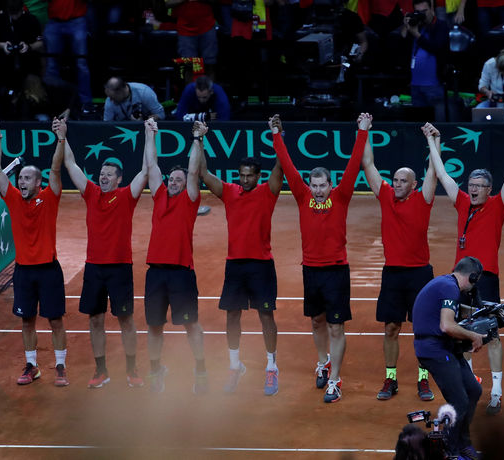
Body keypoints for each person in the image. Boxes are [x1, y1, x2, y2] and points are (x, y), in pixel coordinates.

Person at [427, 121, 504, 415]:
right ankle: (471, 385)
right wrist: (433, 143)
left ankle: (496, 392)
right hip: (460, 282)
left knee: (492, 334)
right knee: (462, 331)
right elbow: (444, 174)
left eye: (478, 186)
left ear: (489, 189)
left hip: (487, 279)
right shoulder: (461, 203)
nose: (472, 189)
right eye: (470, 185)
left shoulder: (499, 205)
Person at [271, 112, 370, 403]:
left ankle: (336, 380)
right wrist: (278, 133)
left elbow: (354, 164)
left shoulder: (340, 197)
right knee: (317, 321)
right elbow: (287, 166)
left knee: (336, 326)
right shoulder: (302, 197)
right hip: (311, 271)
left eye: (321, 185)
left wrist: (362, 130)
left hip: (336, 271)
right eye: (313, 185)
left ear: (330, 184)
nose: (316, 190)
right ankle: (323, 362)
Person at [57, 117, 148, 389]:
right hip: (94, 268)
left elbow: (145, 170)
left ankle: (132, 370)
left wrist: (148, 134)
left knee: (126, 320)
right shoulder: (90, 193)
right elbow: (70, 163)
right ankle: (101, 371)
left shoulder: (127, 197)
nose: (103, 176)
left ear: (119, 179)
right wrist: (62, 136)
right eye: (102, 173)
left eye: (109, 174)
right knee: (95, 320)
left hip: (120, 267)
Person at [361, 120, 438, 402]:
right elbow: (368, 163)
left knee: (424, 329)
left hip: (420, 274)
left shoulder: (423, 198)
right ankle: (391, 379)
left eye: (403, 181)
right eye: (394, 180)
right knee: (391, 327)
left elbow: (433, 170)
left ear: (414, 185)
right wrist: (365, 131)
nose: (396, 184)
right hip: (393, 273)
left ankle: (423, 379)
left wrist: (433, 139)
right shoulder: (385, 197)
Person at [0, 118, 69, 387]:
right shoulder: (12, 198)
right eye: (20, 178)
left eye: (26, 178)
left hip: (49, 269)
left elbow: (56, 168)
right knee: (27, 321)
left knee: (55, 320)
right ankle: (32, 366)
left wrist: (61, 139)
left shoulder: (49, 197)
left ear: (38, 182)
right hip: (23, 271)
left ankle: (60, 366)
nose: (21, 181)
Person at [199, 145, 283, 395]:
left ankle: (271, 367)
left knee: (266, 317)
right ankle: (235, 366)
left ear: (258, 176)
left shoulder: (268, 192)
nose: (244, 179)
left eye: (249, 175)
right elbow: (203, 173)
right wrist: (199, 140)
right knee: (232, 316)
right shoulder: (229, 191)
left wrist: (279, 137)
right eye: (241, 175)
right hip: (235, 265)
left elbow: (281, 166)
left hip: (261, 265)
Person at [143, 119, 207, 394]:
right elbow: (151, 166)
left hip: (181, 272)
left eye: (178, 180)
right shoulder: (159, 196)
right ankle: (157, 371)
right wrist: (149, 134)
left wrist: (197, 139)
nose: (173, 182)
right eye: (172, 179)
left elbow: (194, 172)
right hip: (155, 273)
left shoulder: (190, 199)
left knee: (191, 324)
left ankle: (201, 370)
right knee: (154, 326)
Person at [412, 256, 486, 460]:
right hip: (434, 350)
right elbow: (446, 325)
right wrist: (473, 336)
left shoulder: (446, 283)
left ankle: (462, 443)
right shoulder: (449, 288)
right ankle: (449, 451)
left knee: (473, 390)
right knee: (460, 401)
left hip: (443, 347)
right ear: (471, 276)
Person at [0, 0, 45, 118]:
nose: (14, 17)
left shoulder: (31, 20)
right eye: (12, 14)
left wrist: (29, 46)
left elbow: (41, 43)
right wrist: (2, 45)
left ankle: (36, 114)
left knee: (32, 91)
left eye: (16, 14)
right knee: (1, 92)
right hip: (5, 68)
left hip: (28, 67)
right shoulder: (1, 19)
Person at [400, 0, 448, 122]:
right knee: (420, 126)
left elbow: (436, 47)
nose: (422, 15)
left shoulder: (440, 26)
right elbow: (402, 47)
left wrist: (416, 34)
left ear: (432, 7)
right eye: (418, 12)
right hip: (415, 84)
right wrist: (406, 28)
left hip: (434, 85)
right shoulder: (416, 25)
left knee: (438, 126)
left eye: (424, 11)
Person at [43, 0, 93, 115]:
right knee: (51, 65)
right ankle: (51, 104)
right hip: (54, 21)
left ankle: (86, 102)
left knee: (81, 63)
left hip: (77, 20)